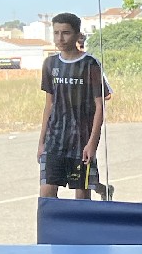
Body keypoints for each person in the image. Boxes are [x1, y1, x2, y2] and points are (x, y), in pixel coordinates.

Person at [36, 13, 107, 200]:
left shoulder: (90, 64)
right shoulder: (50, 64)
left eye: (65, 33)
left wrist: (92, 143)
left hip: (80, 140)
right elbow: (49, 104)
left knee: (81, 196)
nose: (60, 38)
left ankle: (100, 191)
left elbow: (99, 106)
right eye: (56, 33)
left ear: (77, 35)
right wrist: (41, 141)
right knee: (47, 195)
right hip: (54, 140)